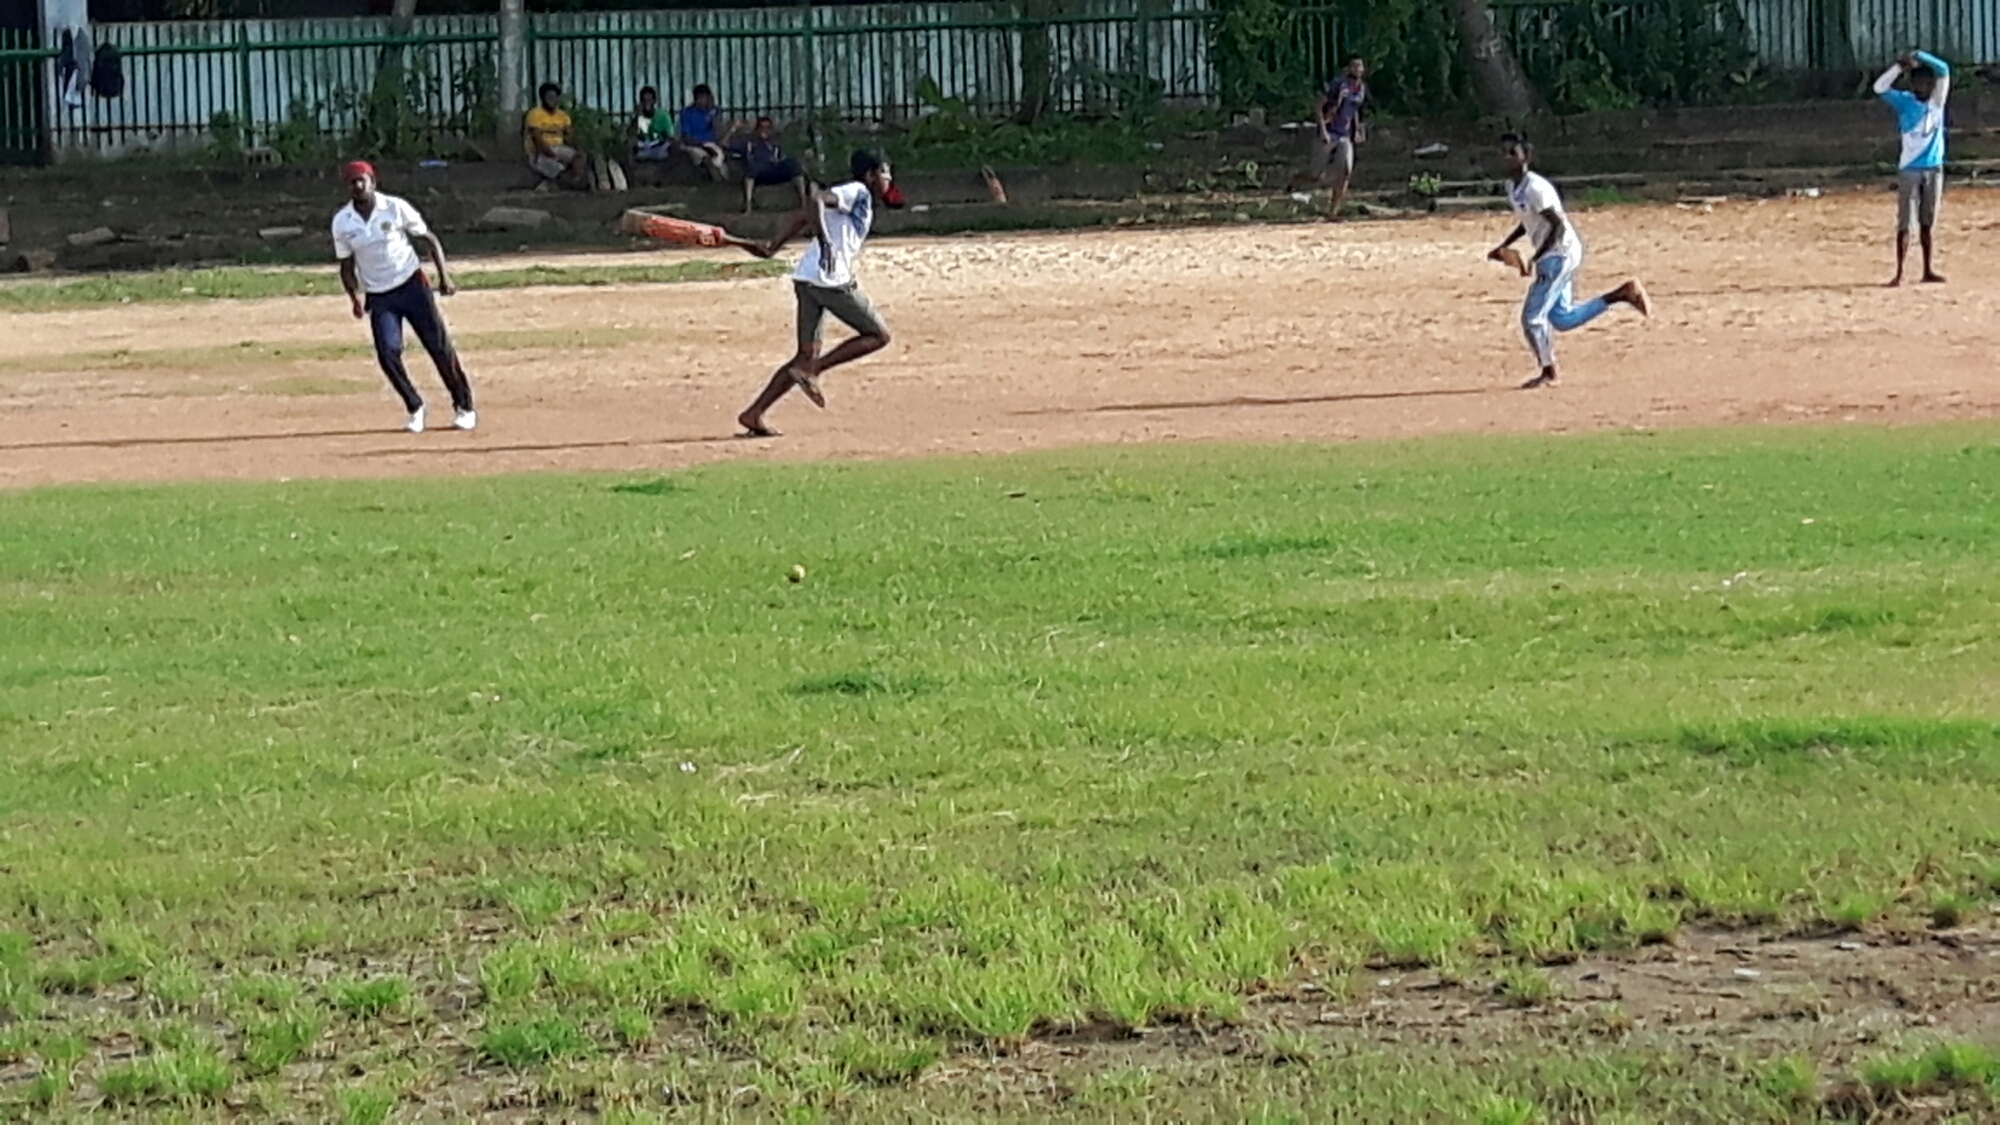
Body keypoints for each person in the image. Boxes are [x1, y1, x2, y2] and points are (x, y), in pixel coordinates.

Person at [736, 150, 906, 438]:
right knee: (878, 335)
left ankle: (754, 413)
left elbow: (805, 214)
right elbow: (814, 199)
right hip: (830, 280)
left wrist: (774, 245)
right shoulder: (857, 191)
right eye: (885, 173)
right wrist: (825, 241)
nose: (889, 179)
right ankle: (814, 370)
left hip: (807, 278)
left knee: (804, 355)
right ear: (870, 175)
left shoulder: (857, 197)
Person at [1487, 134, 1650, 391]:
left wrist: (1535, 258)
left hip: (1559, 254)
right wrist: (1505, 245)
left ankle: (1548, 371)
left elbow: (1558, 226)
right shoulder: (1512, 187)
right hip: (1556, 254)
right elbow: (1528, 221)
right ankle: (1622, 293)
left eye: (1512, 152)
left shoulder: (1535, 188)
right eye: (1503, 152)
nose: (1506, 158)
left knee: (1532, 318)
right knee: (1562, 318)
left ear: (1526, 157)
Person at [332, 161, 476, 433]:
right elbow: (346, 265)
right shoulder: (342, 222)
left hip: (412, 285)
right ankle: (415, 407)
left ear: (373, 182)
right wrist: (354, 298)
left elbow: (429, 239)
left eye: (362, 180)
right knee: (387, 353)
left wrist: (444, 277)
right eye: (352, 182)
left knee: (438, 346)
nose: (358, 185)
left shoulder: (395, 207)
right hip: (379, 295)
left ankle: (464, 406)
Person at [1874, 49, 1951, 286]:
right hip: (1910, 168)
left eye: (1927, 83)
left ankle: (1927, 269)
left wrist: (1919, 55)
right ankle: (1900, 272)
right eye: (1918, 83)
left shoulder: (1937, 101)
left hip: (1933, 168)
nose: (1923, 87)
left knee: (1927, 222)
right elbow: (1879, 87)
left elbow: (1944, 70)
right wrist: (1899, 66)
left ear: (1931, 85)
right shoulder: (1905, 102)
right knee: (1905, 222)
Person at [1312, 57, 1368, 219]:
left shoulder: (1361, 88)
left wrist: (1356, 130)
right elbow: (1319, 105)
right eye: (1354, 66)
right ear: (1348, 68)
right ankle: (1292, 183)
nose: (1357, 69)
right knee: (1315, 174)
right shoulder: (1339, 84)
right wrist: (1323, 130)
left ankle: (1333, 211)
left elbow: (1353, 109)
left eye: (1360, 66)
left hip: (1345, 135)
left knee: (1346, 171)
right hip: (1330, 131)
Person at [730, 117, 809, 212]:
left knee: (794, 165)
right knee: (751, 169)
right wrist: (733, 129)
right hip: (757, 172)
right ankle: (748, 206)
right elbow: (724, 144)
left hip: (773, 170)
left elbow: (782, 157)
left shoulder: (775, 142)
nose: (765, 130)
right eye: (762, 127)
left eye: (768, 128)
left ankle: (804, 203)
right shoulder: (748, 141)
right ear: (756, 129)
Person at [524, 81, 590, 189]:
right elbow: (537, 140)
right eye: (549, 97)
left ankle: (574, 180)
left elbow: (570, 136)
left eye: (554, 97)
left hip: (560, 147)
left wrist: (578, 152)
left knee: (578, 158)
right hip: (540, 151)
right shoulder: (535, 114)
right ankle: (560, 182)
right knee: (556, 167)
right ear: (542, 98)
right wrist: (552, 155)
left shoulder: (563, 116)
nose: (552, 100)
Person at [677, 84, 734, 181]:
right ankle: (709, 166)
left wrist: (712, 116)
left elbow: (718, 132)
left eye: (704, 98)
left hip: (710, 144)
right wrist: (702, 146)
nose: (701, 101)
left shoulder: (714, 111)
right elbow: (686, 137)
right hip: (693, 145)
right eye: (699, 98)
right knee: (698, 154)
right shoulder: (687, 113)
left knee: (717, 157)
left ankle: (718, 173)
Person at [630, 85, 675, 162]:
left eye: (649, 100)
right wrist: (637, 116)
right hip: (643, 148)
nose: (647, 103)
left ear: (654, 101)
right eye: (644, 100)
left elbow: (670, 137)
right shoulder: (639, 117)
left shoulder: (663, 116)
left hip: (659, 147)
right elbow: (631, 134)